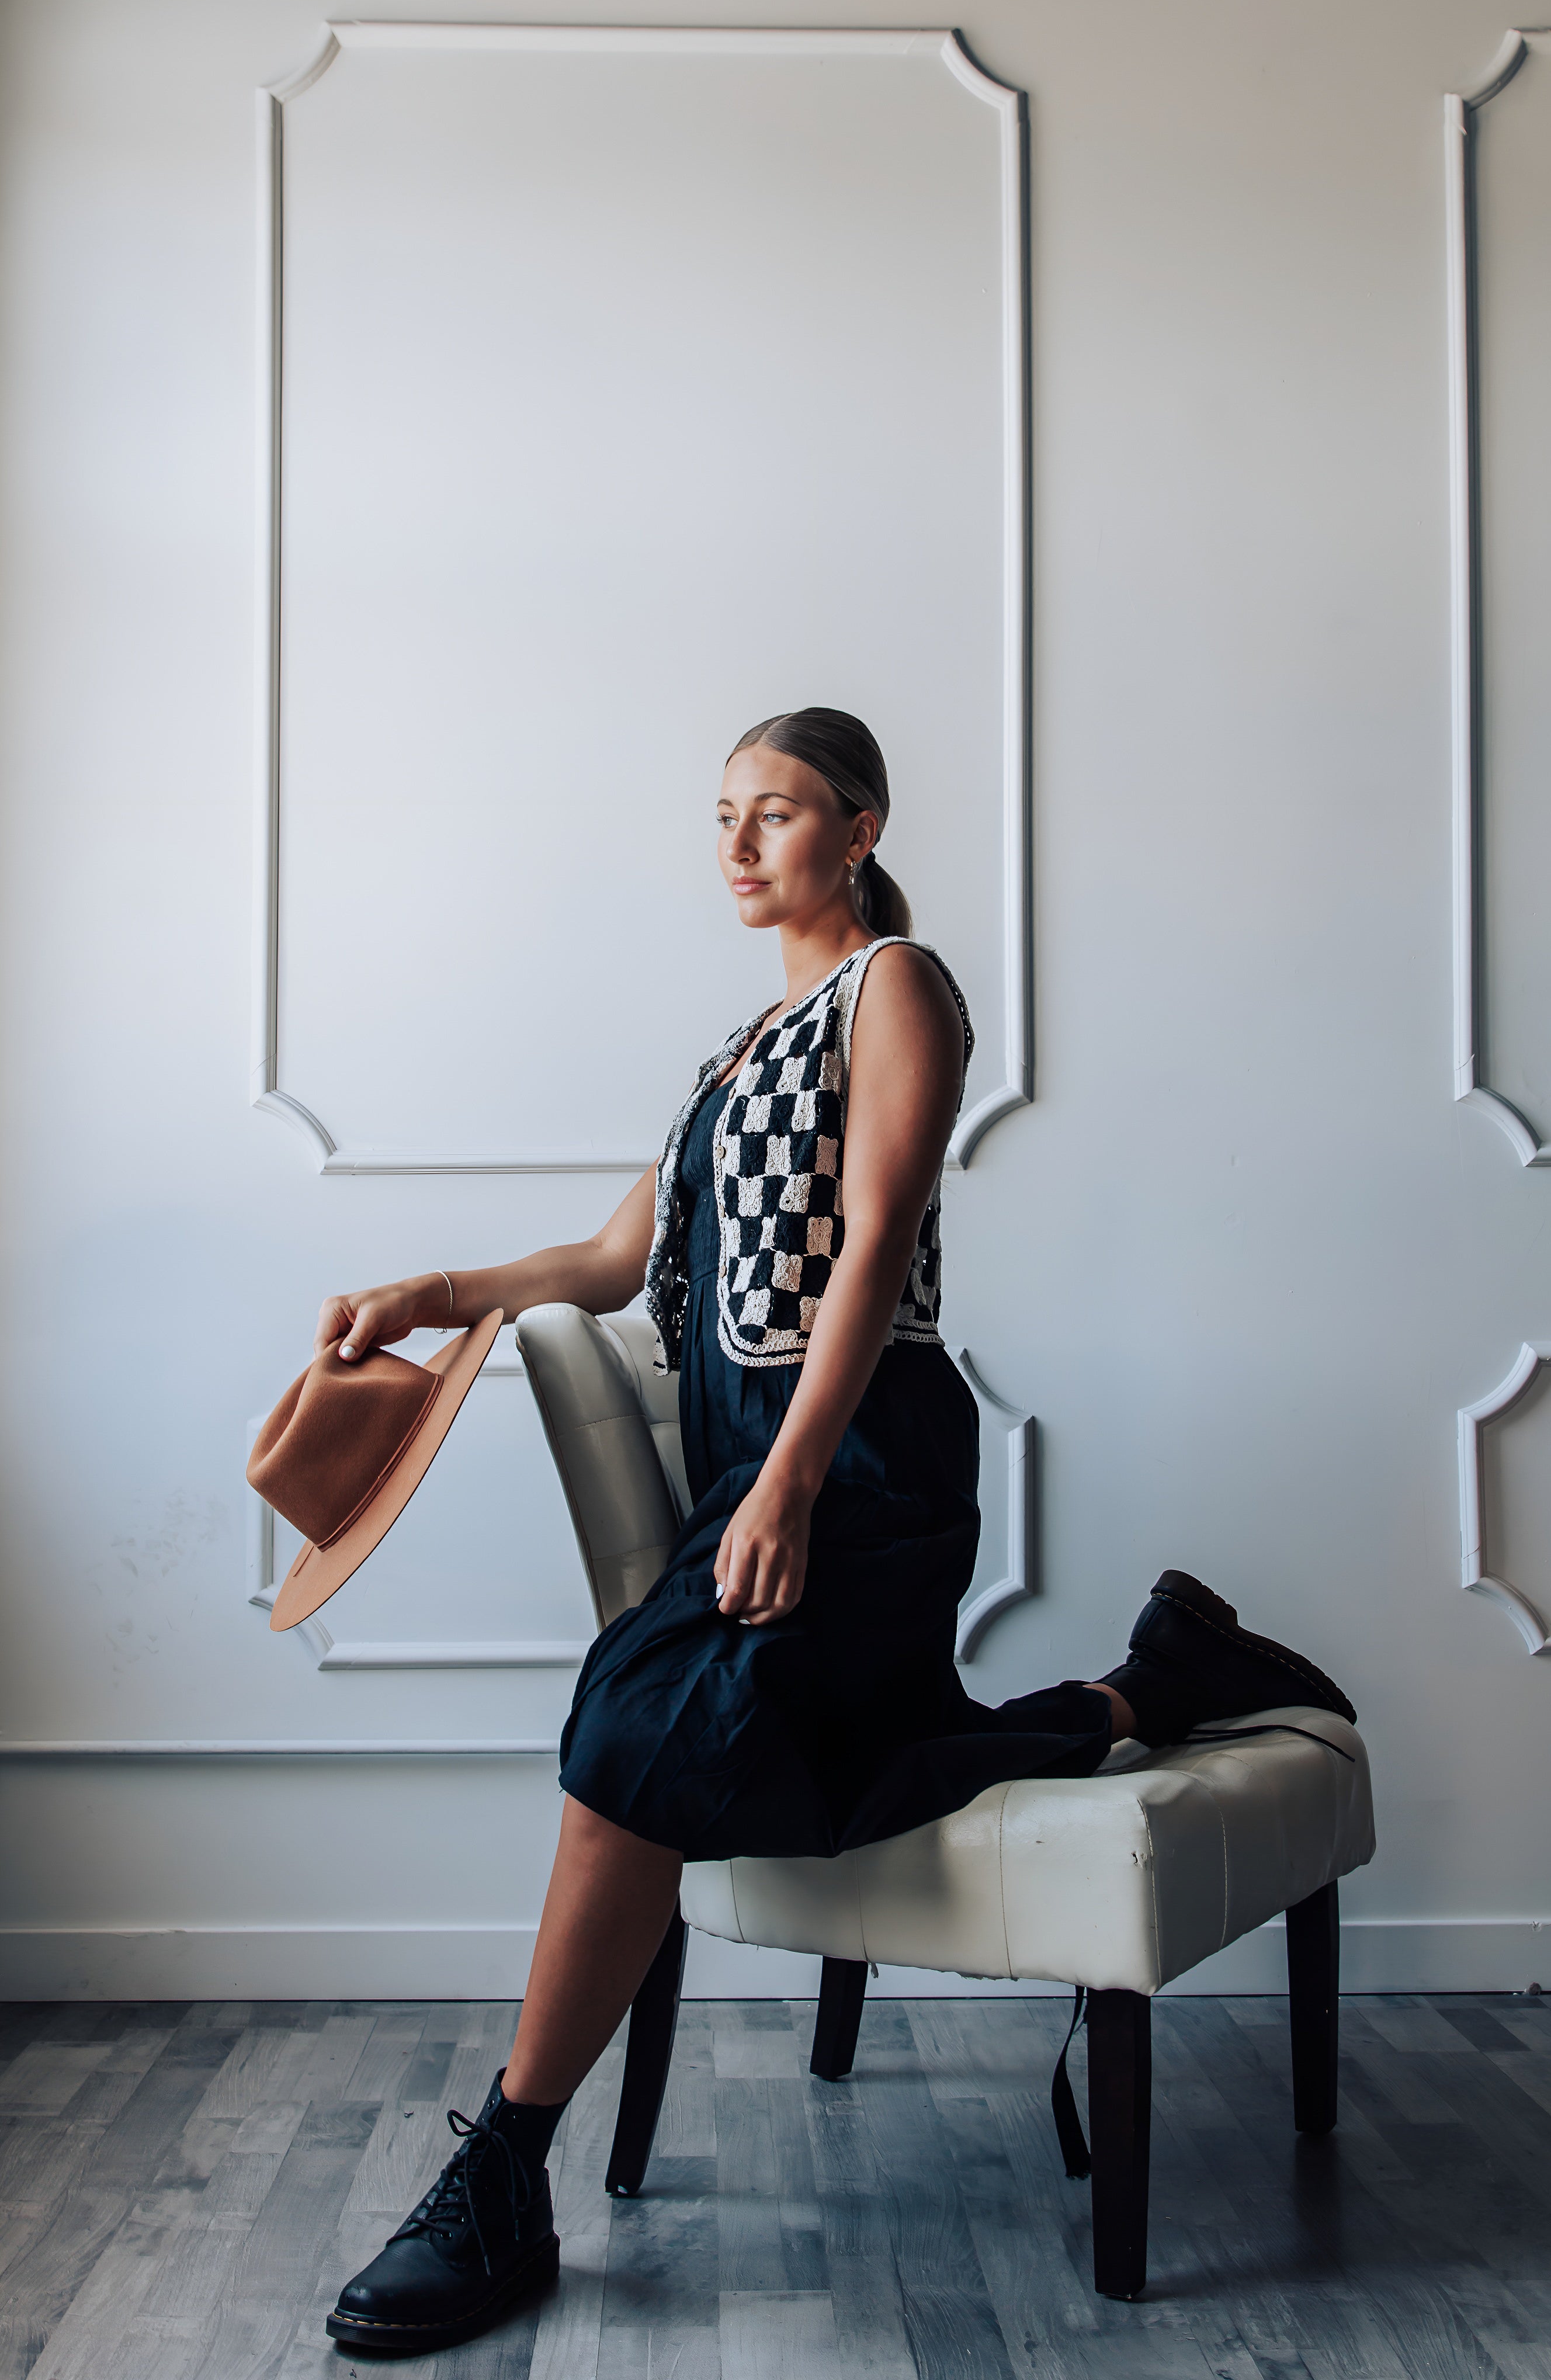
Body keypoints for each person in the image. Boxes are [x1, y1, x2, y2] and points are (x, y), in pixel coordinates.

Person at [317, 709, 1356, 2357]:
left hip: (860, 1463)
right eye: (724, 816)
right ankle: (1155, 1687)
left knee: (643, 1726)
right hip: (759, 1467)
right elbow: (612, 1260)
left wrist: (794, 1483)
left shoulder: (898, 986)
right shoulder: (739, 1048)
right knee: (808, 1752)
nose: (739, 846)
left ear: (858, 828)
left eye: (778, 813)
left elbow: (875, 1245)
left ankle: (502, 2174)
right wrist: (432, 1293)